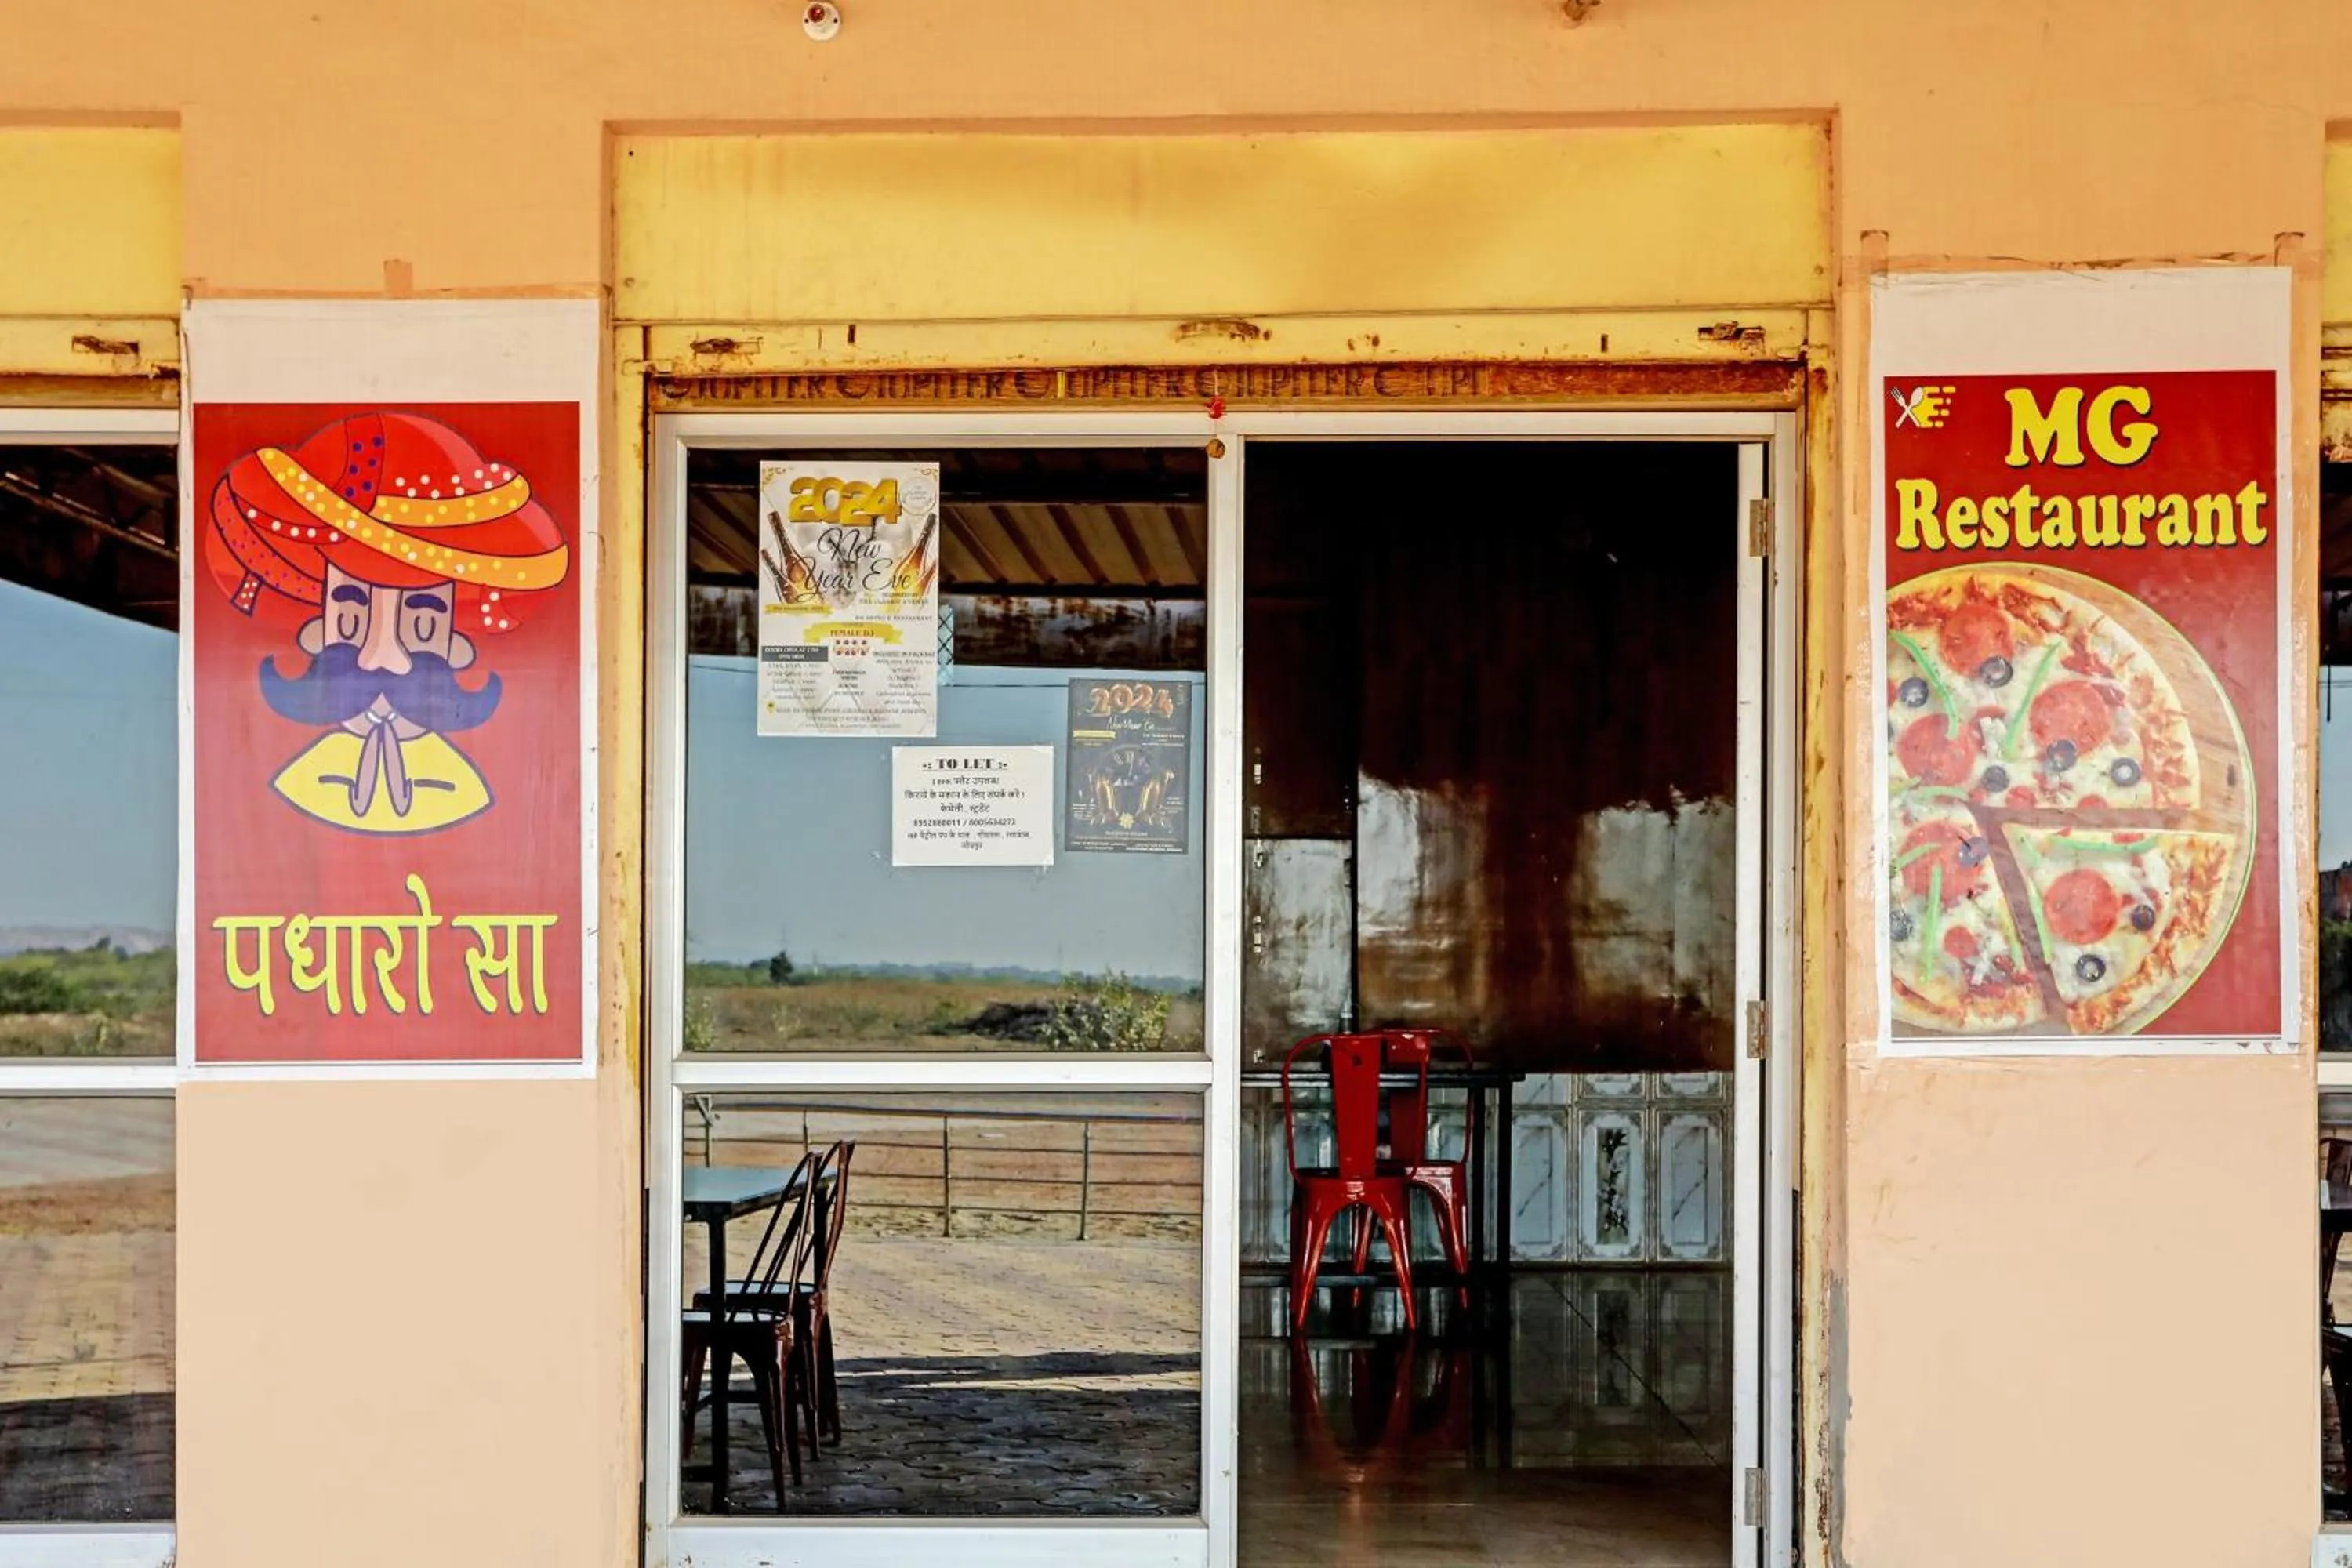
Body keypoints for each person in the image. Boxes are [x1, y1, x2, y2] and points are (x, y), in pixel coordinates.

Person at [204, 411, 568, 834]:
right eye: (352, 619)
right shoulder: (295, 784)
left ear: (457, 644)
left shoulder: (466, 789)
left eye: (422, 626)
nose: (384, 659)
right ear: (316, 631)